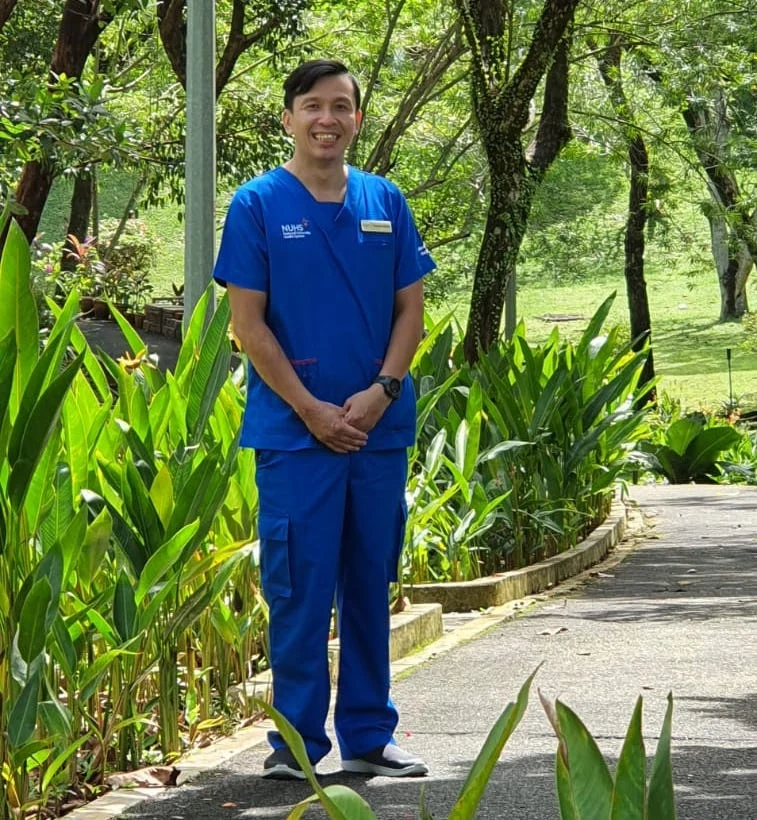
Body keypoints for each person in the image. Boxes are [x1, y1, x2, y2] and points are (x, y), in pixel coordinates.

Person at [213, 58, 435, 780]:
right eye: (312, 106)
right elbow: (248, 325)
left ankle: (370, 735)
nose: (326, 119)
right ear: (288, 118)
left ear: (357, 120)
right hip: (294, 438)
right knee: (299, 588)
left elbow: (411, 310)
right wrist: (309, 412)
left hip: (376, 432)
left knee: (371, 583)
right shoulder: (256, 205)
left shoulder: (384, 200)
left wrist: (381, 390)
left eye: (341, 107)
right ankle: (295, 746)